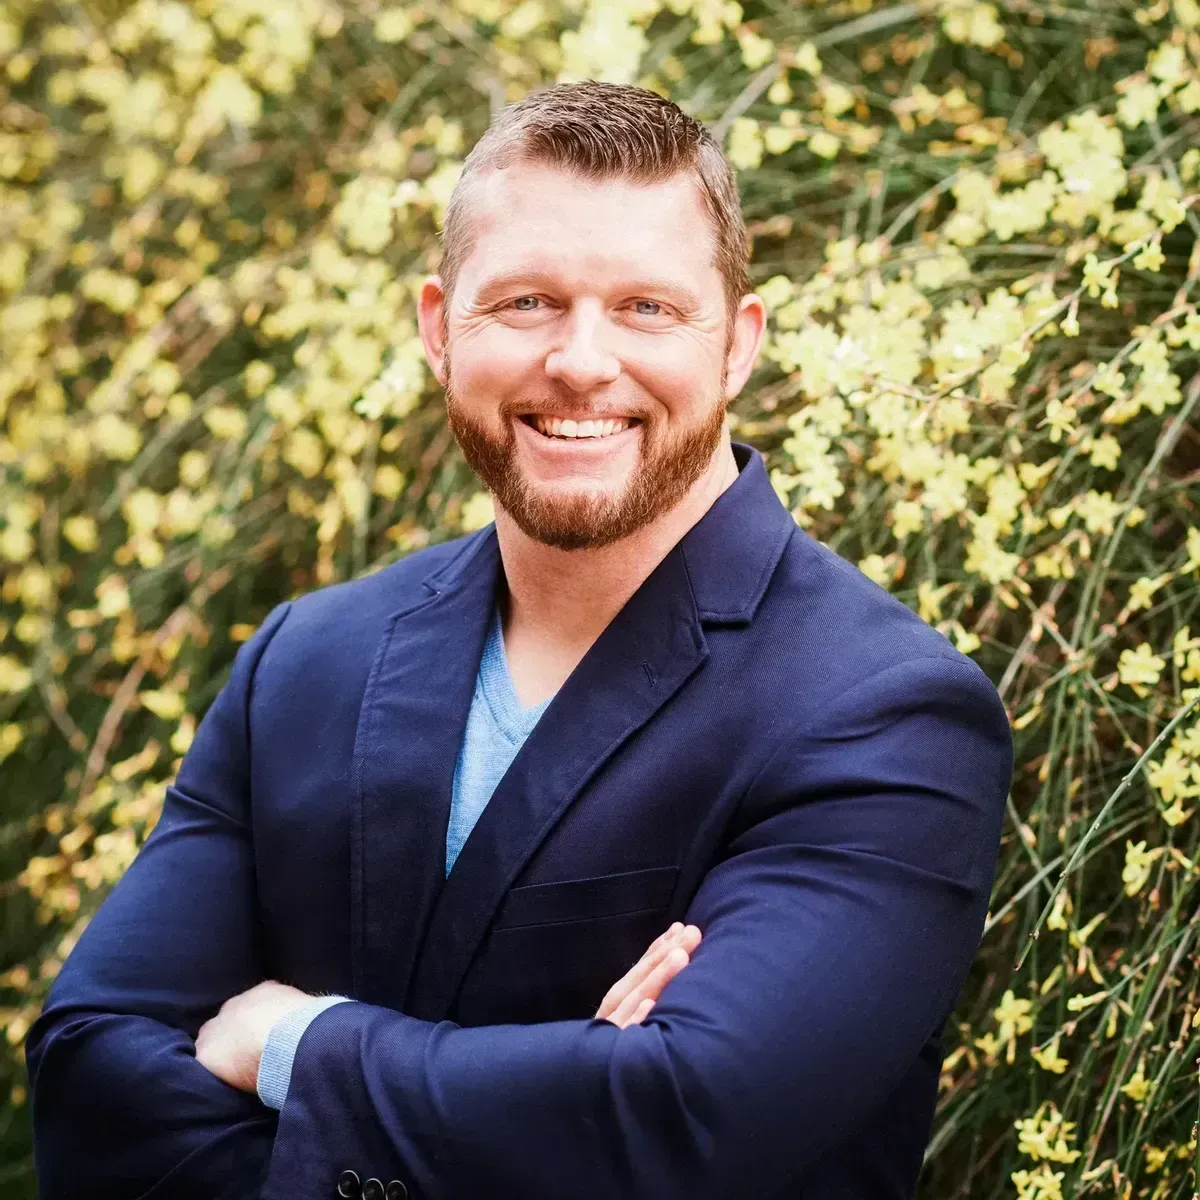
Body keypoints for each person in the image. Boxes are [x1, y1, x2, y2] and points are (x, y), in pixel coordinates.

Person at [25, 79, 1014, 1200]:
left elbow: (684, 1119)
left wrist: (299, 1046)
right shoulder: (304, 663)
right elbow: (89, 1075)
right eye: (529, 302)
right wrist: (562, 1090)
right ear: (441, 330)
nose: (583, 362)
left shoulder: (886, 712)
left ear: (737, 346)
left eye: (646, 307)